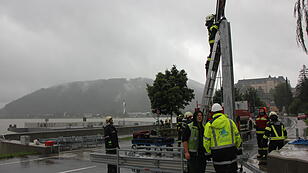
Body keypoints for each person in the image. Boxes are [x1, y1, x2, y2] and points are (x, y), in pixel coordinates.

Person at [203, 103, 242, 173]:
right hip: (231, 153)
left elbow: (206, 141)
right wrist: (238, 148)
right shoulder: (230, 122)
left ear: (212, 113)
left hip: (217, 154)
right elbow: (237, 136)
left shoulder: (209, 125)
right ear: (221, 111)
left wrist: (208, 153)